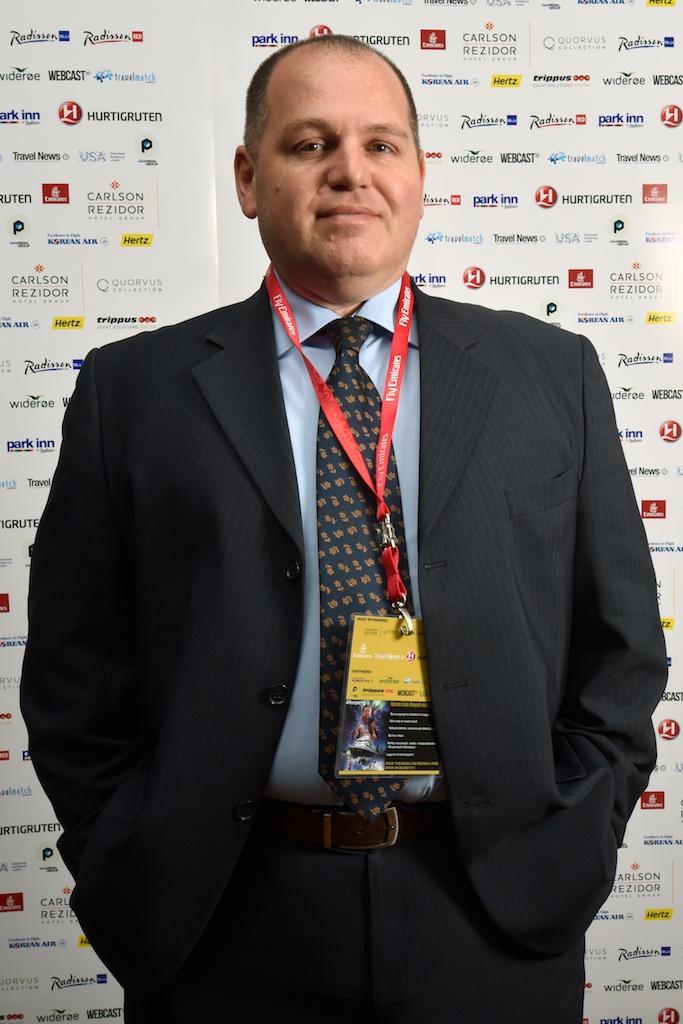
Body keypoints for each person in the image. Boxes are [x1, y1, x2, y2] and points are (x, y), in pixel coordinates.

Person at [21, 34, 666, 1024]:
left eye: (380, 144)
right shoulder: (132, 391)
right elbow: (75, 670)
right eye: (309, 143)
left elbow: (618, 648)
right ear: (248, 178)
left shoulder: (551, 374)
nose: (349, 172)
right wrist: (126, 839)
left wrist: (570, 833)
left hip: (491, 911)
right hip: (221, 917)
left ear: (418, 174)